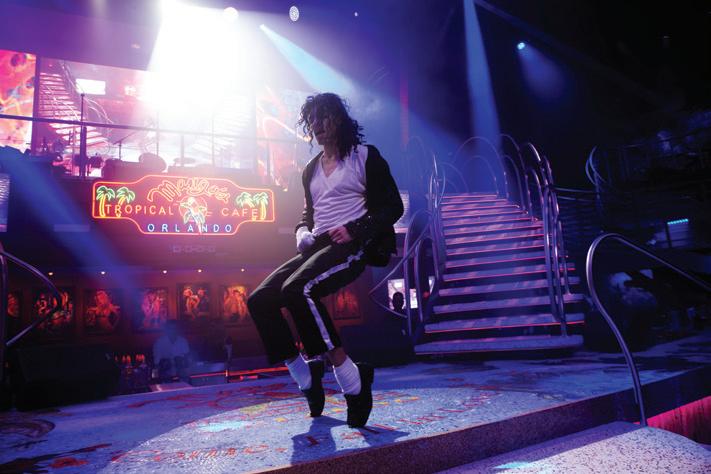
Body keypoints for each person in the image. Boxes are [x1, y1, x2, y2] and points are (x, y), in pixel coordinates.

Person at [248, 92, 403, 428]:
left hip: (352, 242)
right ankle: (306, 378)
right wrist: (301, 231)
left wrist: (355, 229)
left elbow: (394, 207)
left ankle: (353, 381)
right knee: (259, 299)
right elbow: (309, 213)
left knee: (298, 289)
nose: (317, 125)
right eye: (312, 120)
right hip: (317, 245)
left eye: (323, 117)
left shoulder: (365, 156)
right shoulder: (310, 169)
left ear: (339, 119)